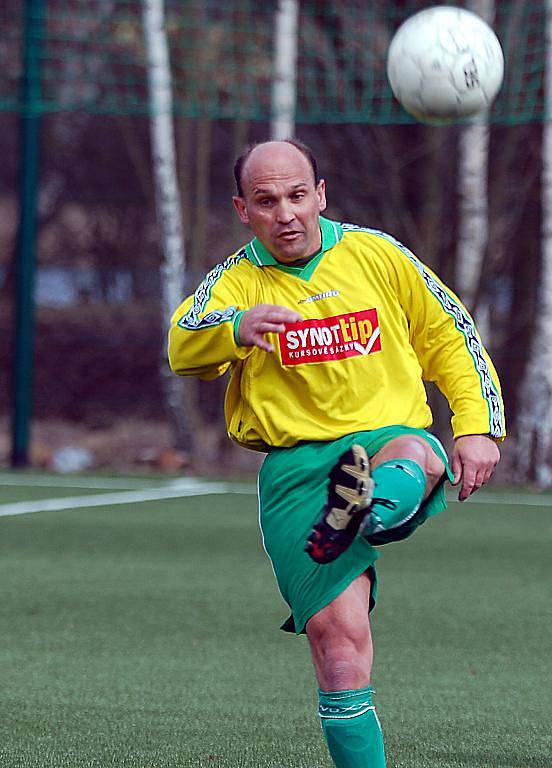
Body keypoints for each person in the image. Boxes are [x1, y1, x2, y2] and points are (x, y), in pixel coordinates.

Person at [168, 138, 505, 768]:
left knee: (414, 451)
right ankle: (369, 509)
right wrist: (235, 329)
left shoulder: (377, 254)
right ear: (244, 210)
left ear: (321, 194)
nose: (286, 213)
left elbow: (451, 337)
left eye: (298, 195)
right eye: (266, 201)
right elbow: (181, 344)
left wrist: (478, 426)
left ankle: (372, 503)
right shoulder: (236, 281)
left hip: (383, 437)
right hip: (295, 472)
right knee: (339, 649)